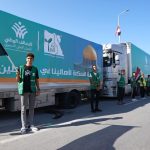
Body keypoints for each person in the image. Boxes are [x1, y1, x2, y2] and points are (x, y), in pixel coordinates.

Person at [16, 53, 40, 134]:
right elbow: (18, 80)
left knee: (31, 108)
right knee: (23, 109)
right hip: (24, 90)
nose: (29, 60)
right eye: (28, 58)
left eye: (31, 58)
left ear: (33, 60)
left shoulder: (35, 69)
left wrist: (38, 89)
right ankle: (23, 126)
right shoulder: (21, 67)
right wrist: (17, 75)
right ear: (26, 59)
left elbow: (36, 79)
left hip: (32, 90)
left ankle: (31, 125)